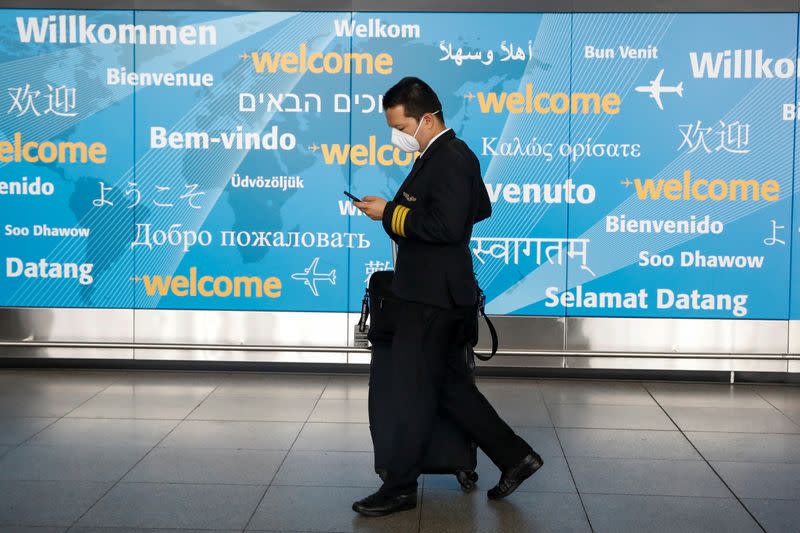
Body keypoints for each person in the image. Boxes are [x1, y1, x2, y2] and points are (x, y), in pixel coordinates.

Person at [351, 77, 542, 517]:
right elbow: (478, 207)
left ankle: (398, 487)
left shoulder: (450, 157)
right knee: (449, 389)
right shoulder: (441, 155)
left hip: (433, 298)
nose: (396, 136)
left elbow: (449, 227)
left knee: (411, 393)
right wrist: (405, 211)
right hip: (439, 291)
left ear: (428, 118)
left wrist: (391, 214)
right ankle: (516, 458)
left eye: (401, 126)